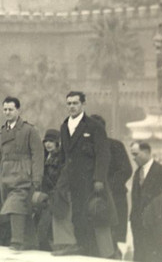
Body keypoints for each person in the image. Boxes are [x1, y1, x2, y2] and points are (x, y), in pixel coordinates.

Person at [57, 91, 115, 258]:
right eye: (69, 103)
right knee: (73, 211)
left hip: (89, 179)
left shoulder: (94, 126)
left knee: (90, 213)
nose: (72, 107)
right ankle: (77, 245)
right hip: (70, 178)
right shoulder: (64, 126)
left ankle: (95, 251)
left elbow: (103, 155)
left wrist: (99, 179)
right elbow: (64, 154)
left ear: (83, 105)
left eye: (75, 103)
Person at [0, 97, 44, 252]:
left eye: (11, 109)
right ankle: (32, 242)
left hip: (23, 174)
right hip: (6, 175)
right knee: (22, 208)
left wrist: (37, 178)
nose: (7, 112)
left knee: (15, 206)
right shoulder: (2, 131)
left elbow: (38, 155)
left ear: (18, 110)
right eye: (5, 109)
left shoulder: (29, 130)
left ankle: (17, 242)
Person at [91, 114, 133, 249]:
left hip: (115, 197)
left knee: (114, 239)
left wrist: (107, 185)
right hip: (92, 198)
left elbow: (126, 170)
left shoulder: (116, 146)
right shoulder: (85, 149)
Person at [37, 129, 65, 251]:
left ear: (57, 143)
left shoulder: (61, 158)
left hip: (54, 196)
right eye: (46, 141)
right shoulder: (42, 156)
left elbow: (60, 179)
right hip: (42, 196)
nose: (48, 144)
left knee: (45, 228)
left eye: (51, 141)